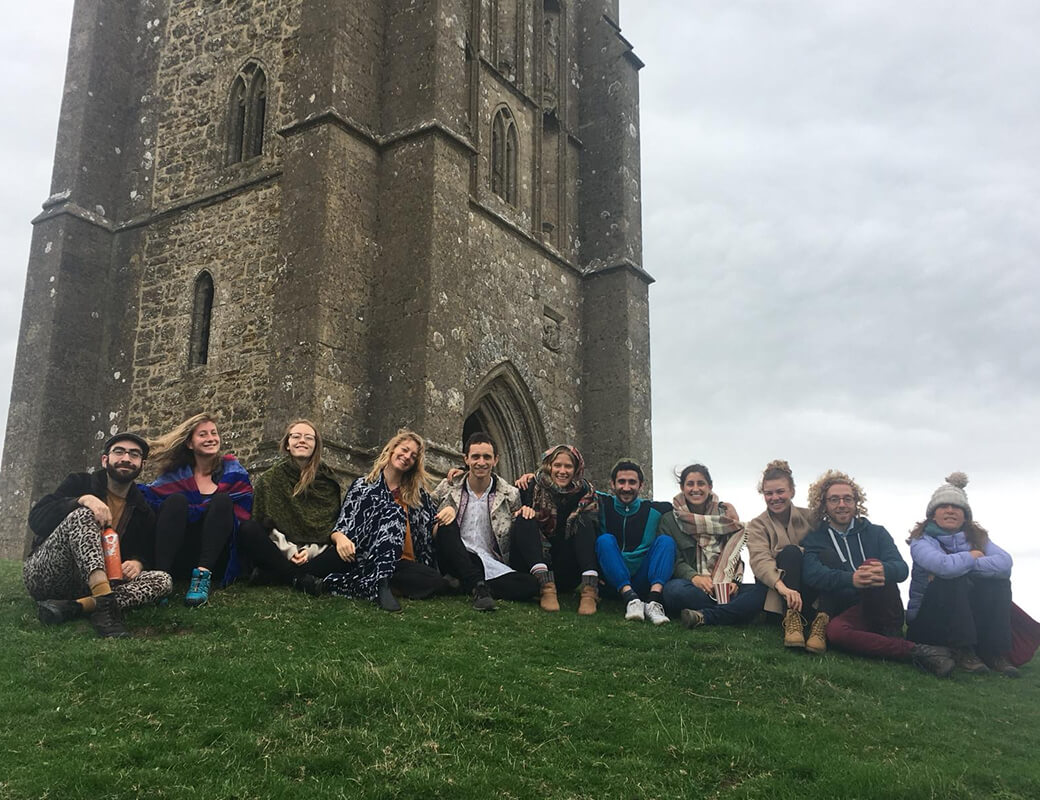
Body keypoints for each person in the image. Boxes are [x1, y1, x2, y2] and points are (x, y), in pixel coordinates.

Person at [801, 469, 955, 677]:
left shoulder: (876, 532)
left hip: (883, 603)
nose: (842, 504)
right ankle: (915, 650)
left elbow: (901, 568)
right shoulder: (816, 538)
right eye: (834, 499)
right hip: (851, 608)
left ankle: (889, 632)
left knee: (873, 563)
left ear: (856, 502)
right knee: (835, 633)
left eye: (847, 498)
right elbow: (811, 573)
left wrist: (884, 569)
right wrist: (851, 579)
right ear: (824, 505)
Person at [23, 432, 172, 637]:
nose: (126, 459)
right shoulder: (79, 483)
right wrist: (83, 500)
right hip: (48, 574)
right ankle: (105, 610)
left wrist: (138, 562)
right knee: (84, 515)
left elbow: (143, 550)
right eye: (119, 452)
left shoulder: (142, 510)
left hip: (89, 585)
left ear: (142, 465)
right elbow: (37, 519)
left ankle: (76, 606)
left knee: (163, 580)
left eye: (134, 455)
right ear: (105, 460)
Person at [905, 473, 1019, 677]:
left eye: (956, 507)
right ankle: (963, 649)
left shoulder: (979, 539)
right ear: (932, 514)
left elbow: (1004, 563)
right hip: (927, 619)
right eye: (943, 506)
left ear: (965, 515)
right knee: (952, 578)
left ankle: (992, 651)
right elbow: (944, 567)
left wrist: (965, 561)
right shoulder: (921, 541)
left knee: (999, 583)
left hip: (966, 615)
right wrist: (971, 557)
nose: (950, 510)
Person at [323, 430, 449, 611]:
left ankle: (349, 584)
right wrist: (340, 538)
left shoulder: (418, 496)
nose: (407, 457)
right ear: (392, 449)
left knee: (435, 581)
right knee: (394, 512)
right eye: (404, 450)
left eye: (413, 456)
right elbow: (343, 524)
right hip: (367, 556)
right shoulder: (363, 486)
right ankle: (381, 584)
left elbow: (432, 526)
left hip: (403, 563)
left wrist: (449, 511)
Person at [141, 413, 253, 606]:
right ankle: (160, 579)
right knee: (175, 501)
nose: (211, 438)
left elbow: (242, 515)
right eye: (203, 434)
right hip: (180, 552)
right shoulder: (175, 477)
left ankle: (201, 578)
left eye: (214, 433)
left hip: (217, 556)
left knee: (222, 502)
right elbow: (149, 501)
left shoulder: (233, 472)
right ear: (190, 443)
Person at [431, 432, 540, 611]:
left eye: (487, 457)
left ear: (495, 460)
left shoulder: (510, 494)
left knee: (530, 585)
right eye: (475, 457)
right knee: (447, 523)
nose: (481, 462)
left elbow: (517, 528)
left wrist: (526, 511)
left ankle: (471, 585)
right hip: (454, 555)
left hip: (489, 561)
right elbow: (425, 514)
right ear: (466, 459)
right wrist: (444, 513)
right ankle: (476, 585)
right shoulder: (448, 486)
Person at [236, 419, 343, 595]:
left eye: (309, 438)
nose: (302, 441)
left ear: (316, 445)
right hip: (279, 549)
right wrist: (290, 551)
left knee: (343, 554)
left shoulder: (328, 482)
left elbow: (328, 529)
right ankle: (297, 577)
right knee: (248, 529)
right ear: (287, 444)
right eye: (296, 436)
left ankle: (273, 574)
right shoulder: (270, 479)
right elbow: (265, 523)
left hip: (314, 554)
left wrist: (308, 552)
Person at [660, 464, 766, 628]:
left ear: (710, 486)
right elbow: (673, 559)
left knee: (760, 591)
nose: (696, 489)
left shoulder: (725, 517)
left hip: (723, 584)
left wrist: (734, 582)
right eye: (690, 484)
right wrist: (694, 577)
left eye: (701, 483)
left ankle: (707, 616)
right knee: (673, 591)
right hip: (691, 586)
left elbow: (734, 554)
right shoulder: (669, 519)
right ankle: (734, 611)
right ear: (682, 487)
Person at [745, 459, 825, 650]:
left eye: (780, 492)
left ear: (792, 491)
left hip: (809, 587)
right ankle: (791, 620)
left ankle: (821, 622)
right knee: (790, 553)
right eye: (769, 493)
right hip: (779, 592)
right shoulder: (757, 524)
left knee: (821, 556)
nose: (775, 498)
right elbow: (760, 561)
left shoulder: (812, 518)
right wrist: (784, 589)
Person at [514, 445, 600, 614]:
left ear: (576, 469)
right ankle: (546, 587)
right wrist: (461, 472)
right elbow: (500, 492)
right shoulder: (532, 486)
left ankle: (590, 590)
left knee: (584, 519)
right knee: (524, 516)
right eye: (557, 465)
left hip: (567, 568)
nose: (562, 471)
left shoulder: (585, 492)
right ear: (549, 467)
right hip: (535, 565)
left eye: (568, 466)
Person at [594, 459, 675, 625]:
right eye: (621, 482)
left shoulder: (658, 509)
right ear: (612, 484)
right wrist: (531, 478)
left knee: (666, 542)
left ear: (641, 485)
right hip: (612, 581)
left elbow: (688, 505)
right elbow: (575, 487)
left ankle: (654, 602)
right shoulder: (602, 502)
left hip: (642, 578)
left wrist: (722, 504)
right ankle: (631, 599)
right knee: (605, 540)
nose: (626, 488)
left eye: (632, 482)